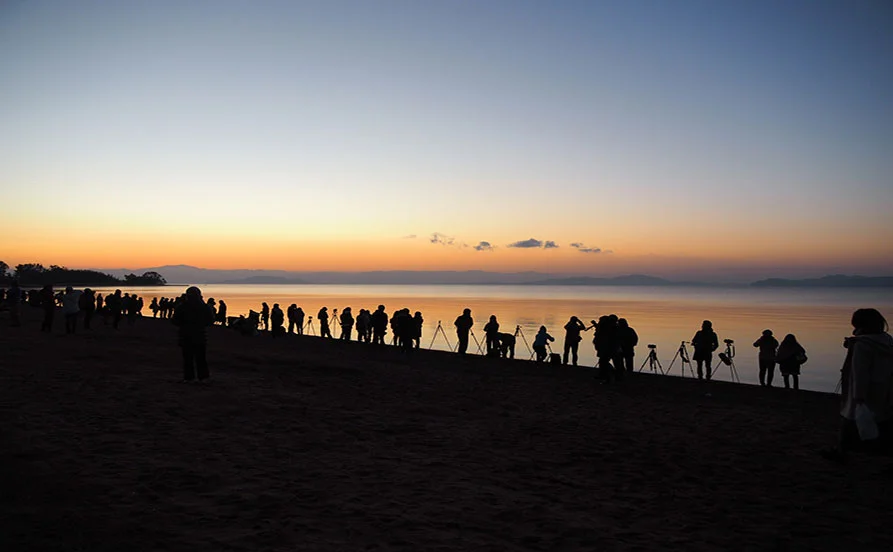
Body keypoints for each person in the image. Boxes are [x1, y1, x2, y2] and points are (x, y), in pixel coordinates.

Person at [822, 308, 893, 463]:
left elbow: (860, 371)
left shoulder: (863, 345)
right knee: (880, 421)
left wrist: (858, 395)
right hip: (883, 387)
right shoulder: (886, 340)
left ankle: (841, 452)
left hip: (862, 390)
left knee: (850, 421)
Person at [172, 286, 214, 382]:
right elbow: (210, 321)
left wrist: (184, 324)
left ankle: (189, 377)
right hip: (199, 335)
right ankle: (203, 377)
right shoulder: (204, 307)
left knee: (188, 358)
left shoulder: (182, 307)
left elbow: (174, 321)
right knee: (200, 358)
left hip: (186, 335)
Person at [594, 315, 620, 382]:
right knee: (603, 362)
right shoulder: (608, 327)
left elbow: (605, 338)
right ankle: (604, 375)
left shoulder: (611, 328)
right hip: (605, 347)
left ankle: (609, 375)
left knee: (604, 362)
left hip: (607, 348)